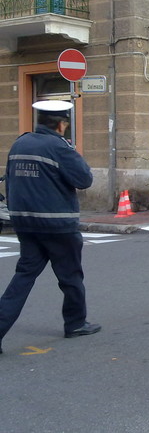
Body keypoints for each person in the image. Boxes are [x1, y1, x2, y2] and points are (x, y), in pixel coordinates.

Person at [0, 101, 100, 354]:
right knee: (70, 276)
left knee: (23, 277)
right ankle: (76, 323)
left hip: (24, 223)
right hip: (57, 224)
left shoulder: (20, 143)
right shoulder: (59, 146)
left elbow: (10, 181)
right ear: (61, 123)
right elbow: (84, 179)